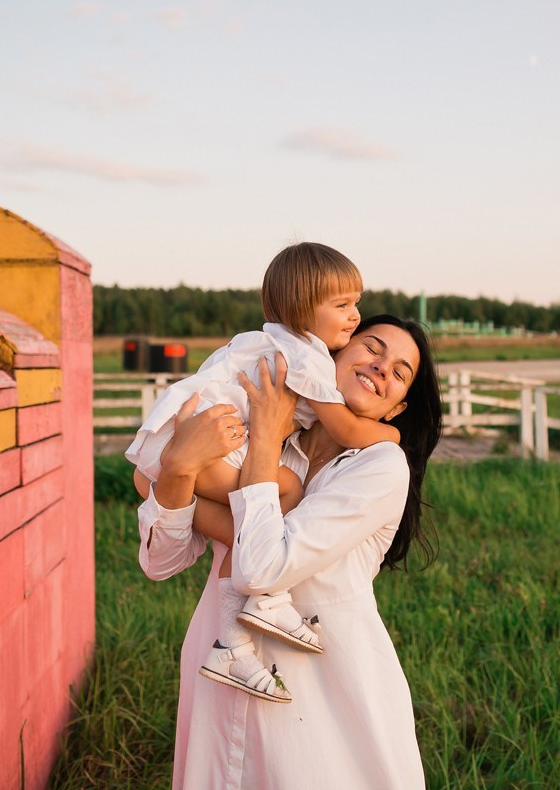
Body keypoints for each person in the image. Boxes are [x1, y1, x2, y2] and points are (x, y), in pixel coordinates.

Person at [137, 314, 443, 789]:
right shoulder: (269, 439)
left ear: (395, 410)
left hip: (322, 687)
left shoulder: (381, 467)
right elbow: (161, 563)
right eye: (373, 349)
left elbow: (263, 568)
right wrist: (176, 469)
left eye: (400, 373)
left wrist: (262, 434)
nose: (382, 368)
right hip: (219, 665)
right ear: (331, 357)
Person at [126, 243, 400, 702]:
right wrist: (388, 434)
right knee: (285, 488)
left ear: (402, 405)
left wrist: (170, 473)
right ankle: (259, 608)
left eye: (400, 371)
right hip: (213, 442)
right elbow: (349, 429)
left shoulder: (256, 342)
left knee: (242, 523)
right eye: (345, 309)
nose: (355, 315)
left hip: (187, 438)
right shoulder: (307, 359)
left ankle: (238, 634)